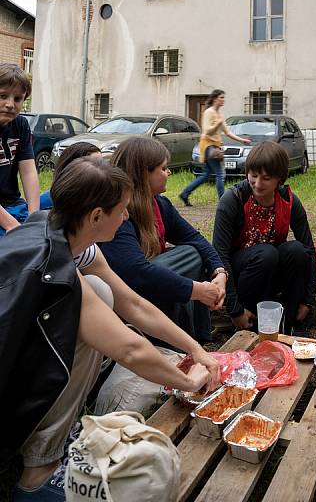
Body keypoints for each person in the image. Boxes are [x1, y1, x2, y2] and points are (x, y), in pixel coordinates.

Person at [0, 157, 219, 501]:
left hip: (14, 357)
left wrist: (195, 349)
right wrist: (188, 381)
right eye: (123, 209)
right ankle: (36, 475)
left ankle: (56, 430)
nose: (128, 216)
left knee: (102, 292)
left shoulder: (55, 230)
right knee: (90, 306)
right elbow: (129, 349)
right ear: (96, 216)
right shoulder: (58, 271)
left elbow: (133, 304)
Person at [102, 137, 227, 344]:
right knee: (180, 263)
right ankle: (175, 341)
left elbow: (195, 238)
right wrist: (197, 290)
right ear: (144, 174)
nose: (169, 173)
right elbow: (136, 273)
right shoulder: (119, 213)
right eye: (163, 168)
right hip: (127, 302)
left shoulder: (160, 205)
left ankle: (195, 338)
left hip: (151, 292)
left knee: (192, 252)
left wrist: (219, 272)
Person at [213, 141, 316, 336]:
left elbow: (309, 249)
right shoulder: (233, 200)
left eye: (266, 178)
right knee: (266, 253)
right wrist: (235, 309)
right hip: (241, 274)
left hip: (271, 269)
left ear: (280, 178)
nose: (258, 184)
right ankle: (251, 318)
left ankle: (291, 319)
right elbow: (219, 255)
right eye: (253, 176)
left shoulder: (289, 202)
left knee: (297, 250)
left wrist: (307, 300)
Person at [179, 89, 251, 205]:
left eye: (223, 97)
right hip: (209, 146)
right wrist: (217, 123)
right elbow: (206, 131)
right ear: (215, 98)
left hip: (214, 147)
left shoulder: (218, 114)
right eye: (221, 97)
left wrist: (242, 140)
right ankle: (223, 200)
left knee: (206, 174)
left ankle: (185, 194)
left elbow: (227, 132)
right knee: (220, 173)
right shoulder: (209, 112)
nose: (223, 100)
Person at [0, 63, 40, 235]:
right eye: (3, 96)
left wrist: (34, 218)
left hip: (13, 204)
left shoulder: (21, 124)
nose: (10, 104)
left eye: (17, 99)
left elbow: (29, 172)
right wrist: (12, 226)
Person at [40, 142, 101, 209]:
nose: (101, 168)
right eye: (94, 164)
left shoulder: (101, 198)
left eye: (102, 163)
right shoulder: (47, 202)